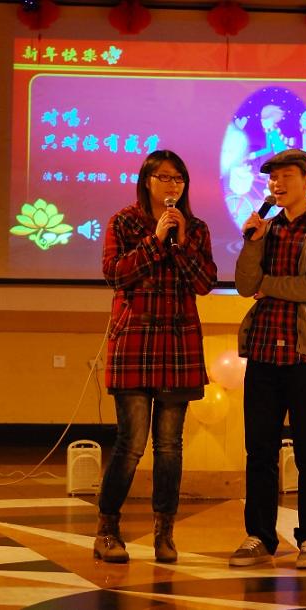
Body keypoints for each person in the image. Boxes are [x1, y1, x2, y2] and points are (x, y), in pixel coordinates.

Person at [94, 150, 217, 564]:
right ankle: (107, 529)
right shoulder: (123, 222)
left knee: (169, 446)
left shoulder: (194, 228)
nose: (172, 185)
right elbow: (115, 274)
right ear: (146, 181)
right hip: (134, 343)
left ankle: (165, 533)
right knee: (131, 443)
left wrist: (179, 244)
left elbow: (205, 282)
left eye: (179, 178)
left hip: (178, 347)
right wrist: (155, 241)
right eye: (164, 177)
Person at [230, 148, 306, 569]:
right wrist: (252, 243)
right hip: (263, 352)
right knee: (259, 450)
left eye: (285, 176)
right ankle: (259, 536)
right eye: (272, 177)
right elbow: (246, 285)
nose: (276, 184)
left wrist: (269, 284)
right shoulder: (266, 228)